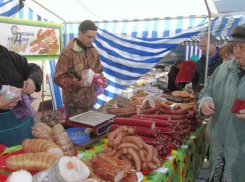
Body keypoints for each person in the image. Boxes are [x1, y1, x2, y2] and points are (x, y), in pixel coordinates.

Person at [198, 25, 245, 182]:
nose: (236, 51)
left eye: (242, 48)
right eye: (235, 47)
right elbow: (206, 91)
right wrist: (205, 102)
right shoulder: (223, 69)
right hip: (219, 148)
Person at [54, 20, 108, 120]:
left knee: (88, 132)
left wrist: (102, 80)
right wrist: (77, 83)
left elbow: (98, 72)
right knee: (76, 133)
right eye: (89, 36)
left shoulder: (94, 52)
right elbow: (58, 78)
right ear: (80, 33)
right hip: (74, 105)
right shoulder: (68, 53)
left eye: (93, 37)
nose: (91, 40)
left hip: (90, 103)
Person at [0, 45, 43, 147]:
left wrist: (32, 80)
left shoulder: (10, 57)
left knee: (29, 153)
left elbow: (34, 69)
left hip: (23, 121)